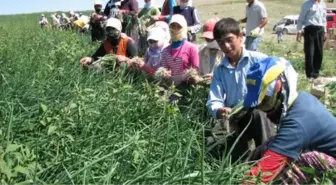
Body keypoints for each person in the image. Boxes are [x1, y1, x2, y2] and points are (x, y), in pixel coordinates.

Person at [243, 56, 336, 184]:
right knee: (269, 146)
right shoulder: (300, 99)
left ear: (282, 88)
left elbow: (265, 171)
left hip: (332, 163)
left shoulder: (298, 122)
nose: (262, 108)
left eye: (265, 101)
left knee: (297, 163)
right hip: (324, 151)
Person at [206, 18, 275, 162]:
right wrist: (220, 110)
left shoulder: (259, 60)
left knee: (258, 115)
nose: (226, 46)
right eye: (221, 43)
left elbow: (275, 88)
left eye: (230, 40)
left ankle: (269, 160)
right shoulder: (220, 70)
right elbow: (214, 100)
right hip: (234, 116)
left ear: (240, 37)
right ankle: (244, 158)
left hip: (258, 113)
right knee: (211, 146)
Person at [159, 14, 199, 86]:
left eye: (178, 26)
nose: (175, 29)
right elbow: (165, 70)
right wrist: (164, 74)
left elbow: (196, 70)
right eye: (173, 26)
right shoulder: (165, 51)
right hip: (171, 88)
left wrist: (189, 77)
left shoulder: (192, 48)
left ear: (184, 27)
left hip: (188, 87)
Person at [297, 0, 327, 80]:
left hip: (320, 30)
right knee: (310, 53)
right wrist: (299, 31)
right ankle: (309, 75)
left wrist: (325, 31)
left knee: (319, 53)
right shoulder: (306, 4)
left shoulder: (323, 4)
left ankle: (316, 74)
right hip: (310, 30)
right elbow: (301, 19)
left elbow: (324, 19)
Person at [198, 18, 224, 83]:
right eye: (207, 38)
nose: (209, 40)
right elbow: (200, 71)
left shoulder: (226, 53)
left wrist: (215, 77)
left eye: (211, 38)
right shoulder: (202, 52)